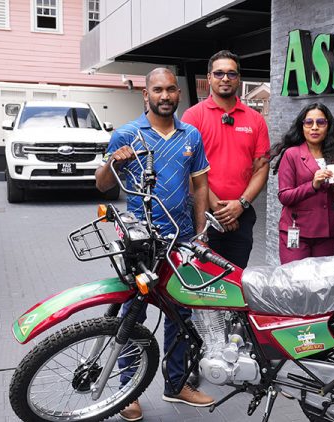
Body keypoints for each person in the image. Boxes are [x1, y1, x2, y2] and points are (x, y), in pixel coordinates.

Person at [95, 68, 215, 421]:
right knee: (133, 315)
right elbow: (102, 185)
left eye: (170, 90)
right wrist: (113, 161)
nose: (165, 96)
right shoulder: (127, 134)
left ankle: (175, 384)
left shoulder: (191, 134)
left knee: (181, 315)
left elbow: (201, 188)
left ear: (179, 94)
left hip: (180, 242)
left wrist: (199, 234)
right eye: (157, 90)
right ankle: (127, 391)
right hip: (139, 245)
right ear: (145, 95)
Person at [181, 50, 270, 269]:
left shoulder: (255, 120)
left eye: (231, 74)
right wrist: (218, 209)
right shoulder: (193, 116)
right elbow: (188, 168)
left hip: (241, 215)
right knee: (201, 282)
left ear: (239, 79)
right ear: (209, 77)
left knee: (236, 281)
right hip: (202, 214)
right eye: (219, 73)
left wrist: (240, 204)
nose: (225, 79)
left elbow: (261, 168)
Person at [270, 103, 334, 264]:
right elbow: (284, 196)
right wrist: (313, 185)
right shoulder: (292, 155)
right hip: (297, 231)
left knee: (321, 285)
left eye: (320, 122)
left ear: (328, 126)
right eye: (309, 123)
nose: (314, 127)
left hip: (327, 234)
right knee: (296, 283)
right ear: (302, 126)